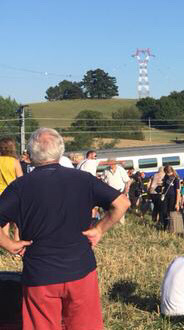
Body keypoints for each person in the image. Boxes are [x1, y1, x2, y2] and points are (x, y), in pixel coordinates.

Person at [0, 128, 130, 330]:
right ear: (60, 151)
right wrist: (99, 229)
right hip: (81, 270)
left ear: (31, 154)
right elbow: (122, 203)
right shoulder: (83, 179)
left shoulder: (20, 187)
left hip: (39, 274)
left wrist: (8, 243)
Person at [0, 137, 23, 239]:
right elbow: (21, 179)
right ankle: (16, 243)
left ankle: (5, 245)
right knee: (17, 221)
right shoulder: (14, 162)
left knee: (4, 222)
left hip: (0, 193)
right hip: (13, 194)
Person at [103, 158, 131, 225]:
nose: (110, 165)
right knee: (111, 209)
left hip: (121, 192)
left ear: (115, 163)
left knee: (120, 208)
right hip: (110, 193)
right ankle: (112, 223)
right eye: (109, 163)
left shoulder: (120, 169)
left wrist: (126, 191)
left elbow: (128, 181)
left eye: (111, 163)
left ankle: (121, 224)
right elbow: (103, 181)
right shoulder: (106, 170)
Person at [161, 165, 181, 230]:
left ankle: (171, 227)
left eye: (166, 172)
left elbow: (178, 191)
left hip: (173, 197)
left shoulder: (176, 178)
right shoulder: (166, 177)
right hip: (165, 196)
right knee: (164, 212)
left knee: (171, 212)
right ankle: (165, 226)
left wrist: (177, 203)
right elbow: (164, 186)